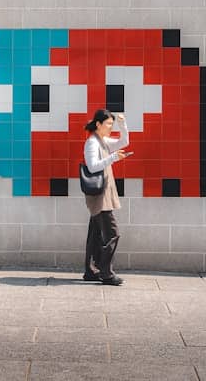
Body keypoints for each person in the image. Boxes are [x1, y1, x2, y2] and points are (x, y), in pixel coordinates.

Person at [82, 109, 130, 286]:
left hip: (104, 194)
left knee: (95, 235)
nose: (110, 128)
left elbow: (124, 141)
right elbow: (93, 167)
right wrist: (112, 158)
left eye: (111, 124)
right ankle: (107, 273)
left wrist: (122, 124)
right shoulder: (92, 143)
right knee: (112, 233)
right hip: (99, 196)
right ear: (98, 124)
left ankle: (91, 271)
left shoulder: (102, 141)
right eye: (108, 124)